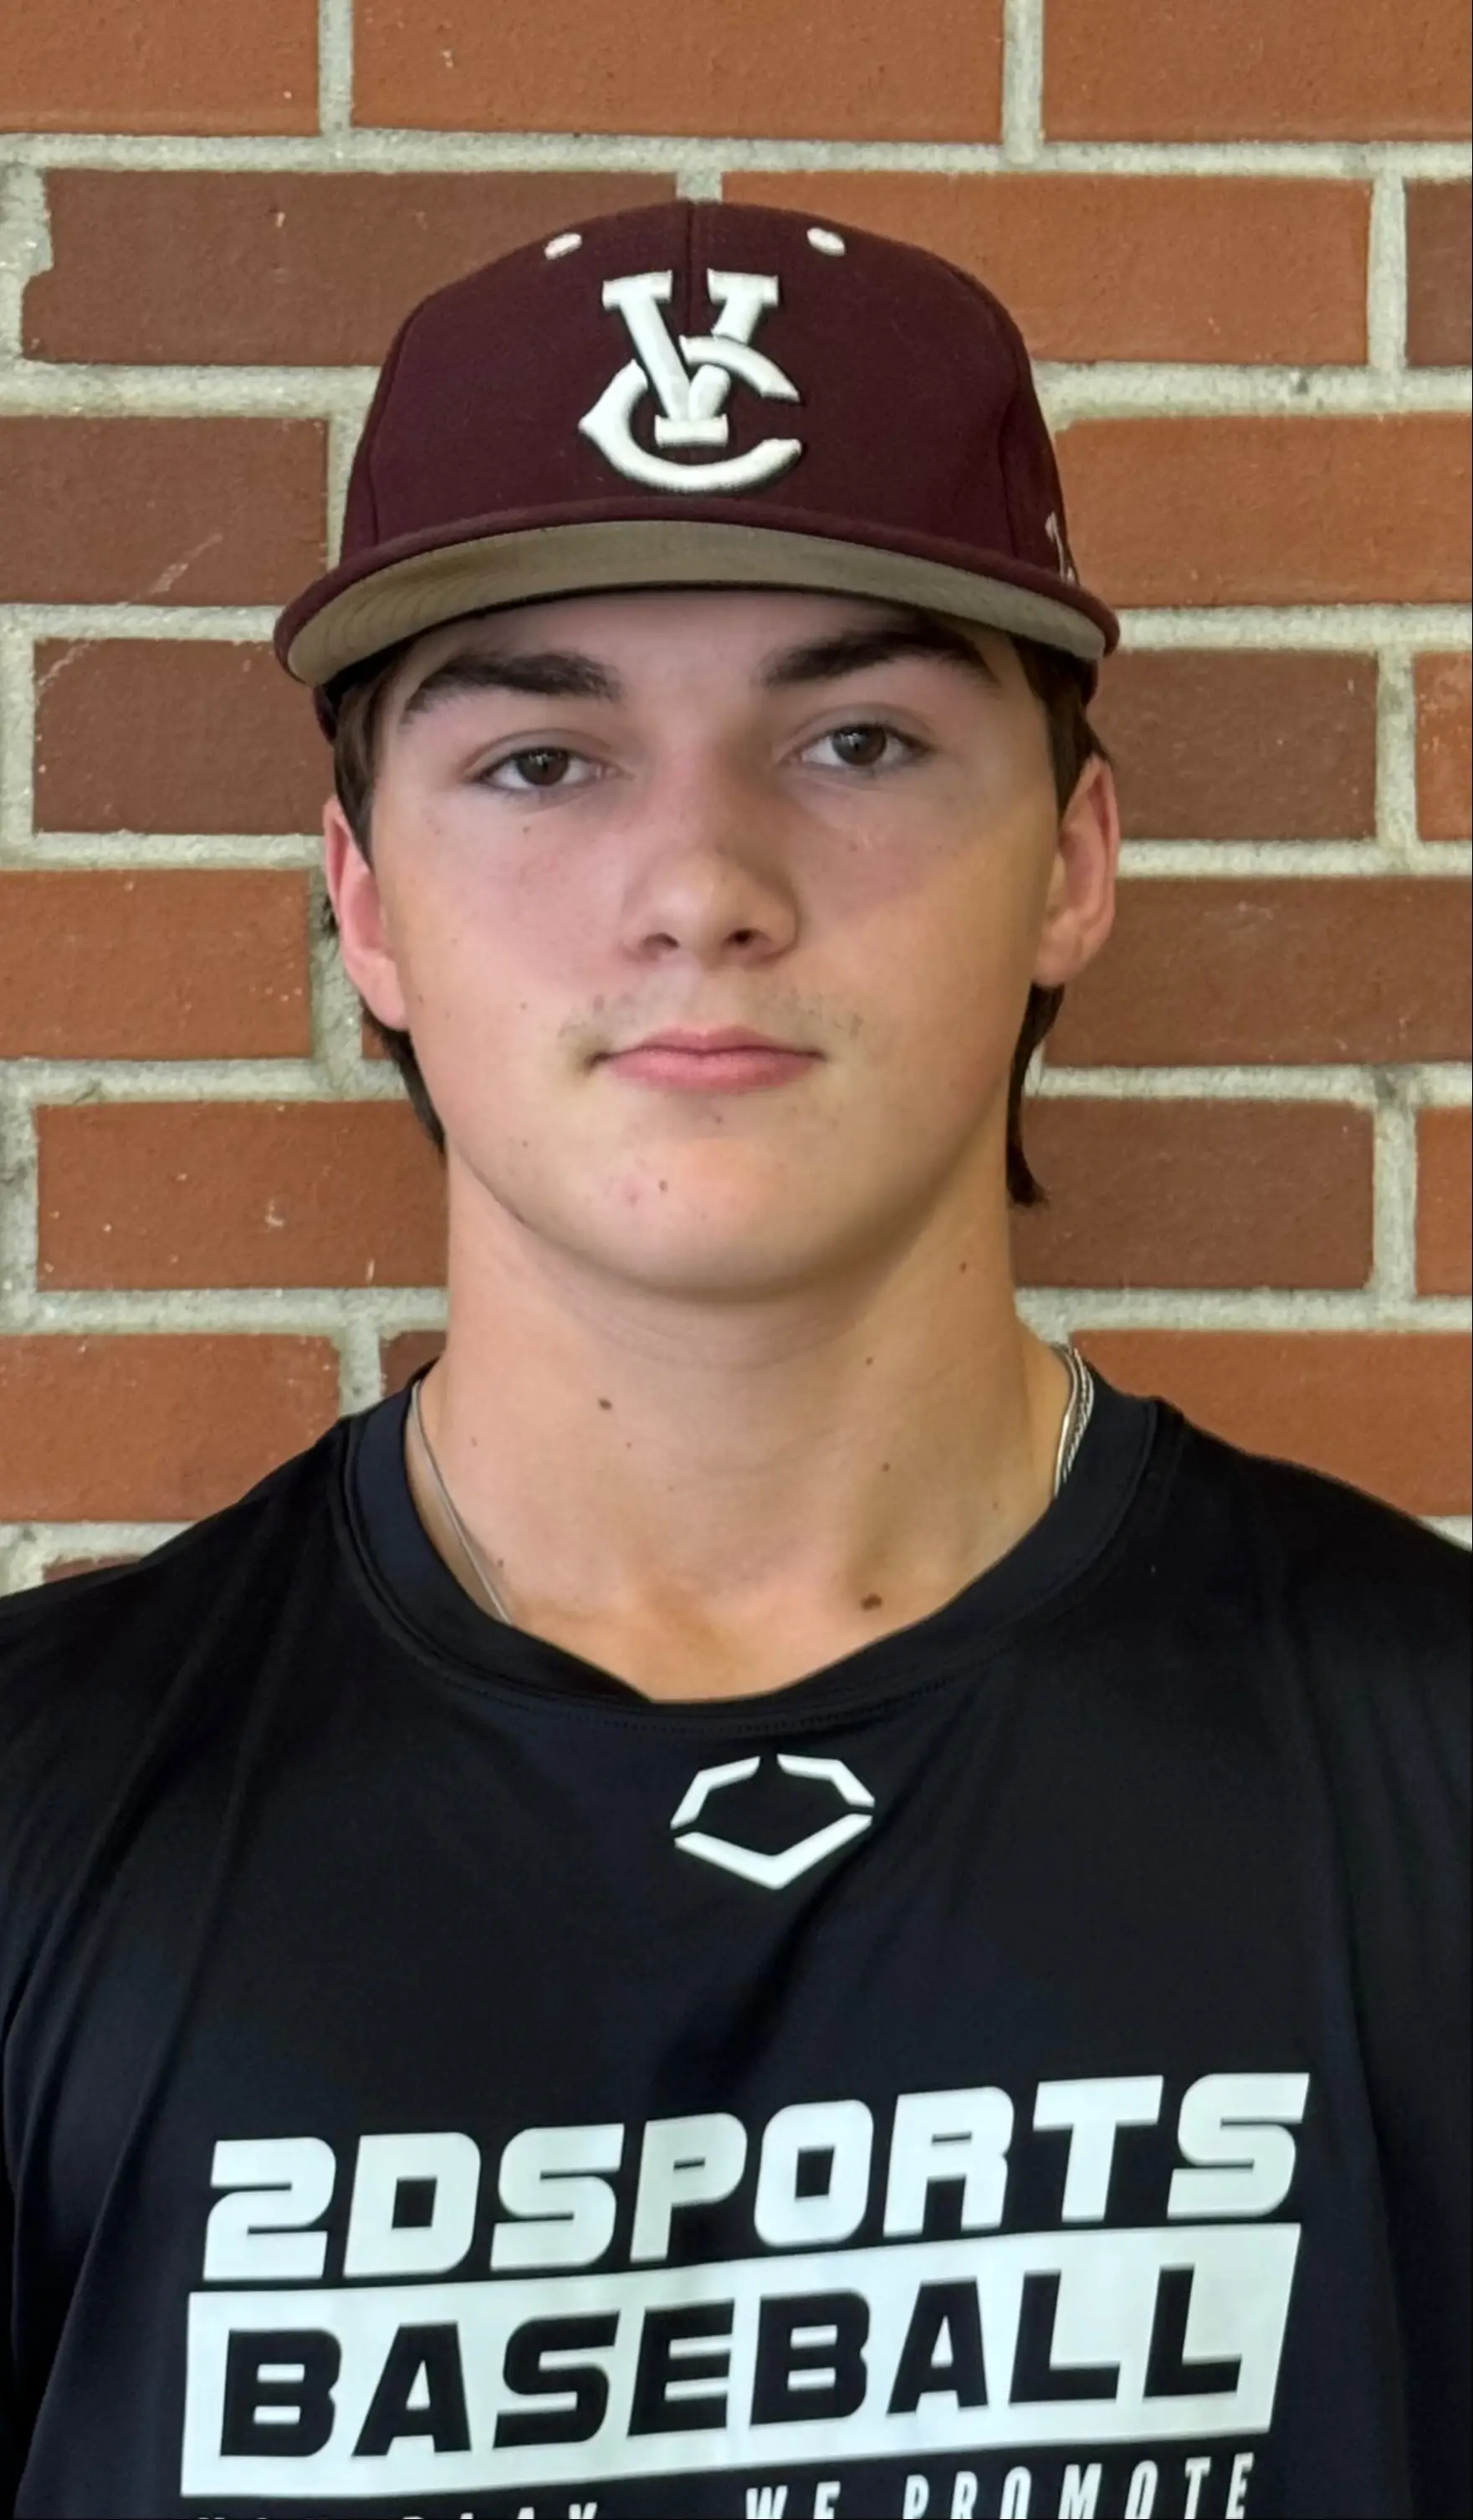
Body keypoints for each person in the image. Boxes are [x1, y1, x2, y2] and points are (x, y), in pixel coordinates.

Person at [0, 202, 1465, 2520]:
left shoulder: (1435, 1768)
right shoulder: (43, 1812)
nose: (701, 883)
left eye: (857, 738)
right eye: (542, 761)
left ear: (1072, 861)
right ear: (363, 901)